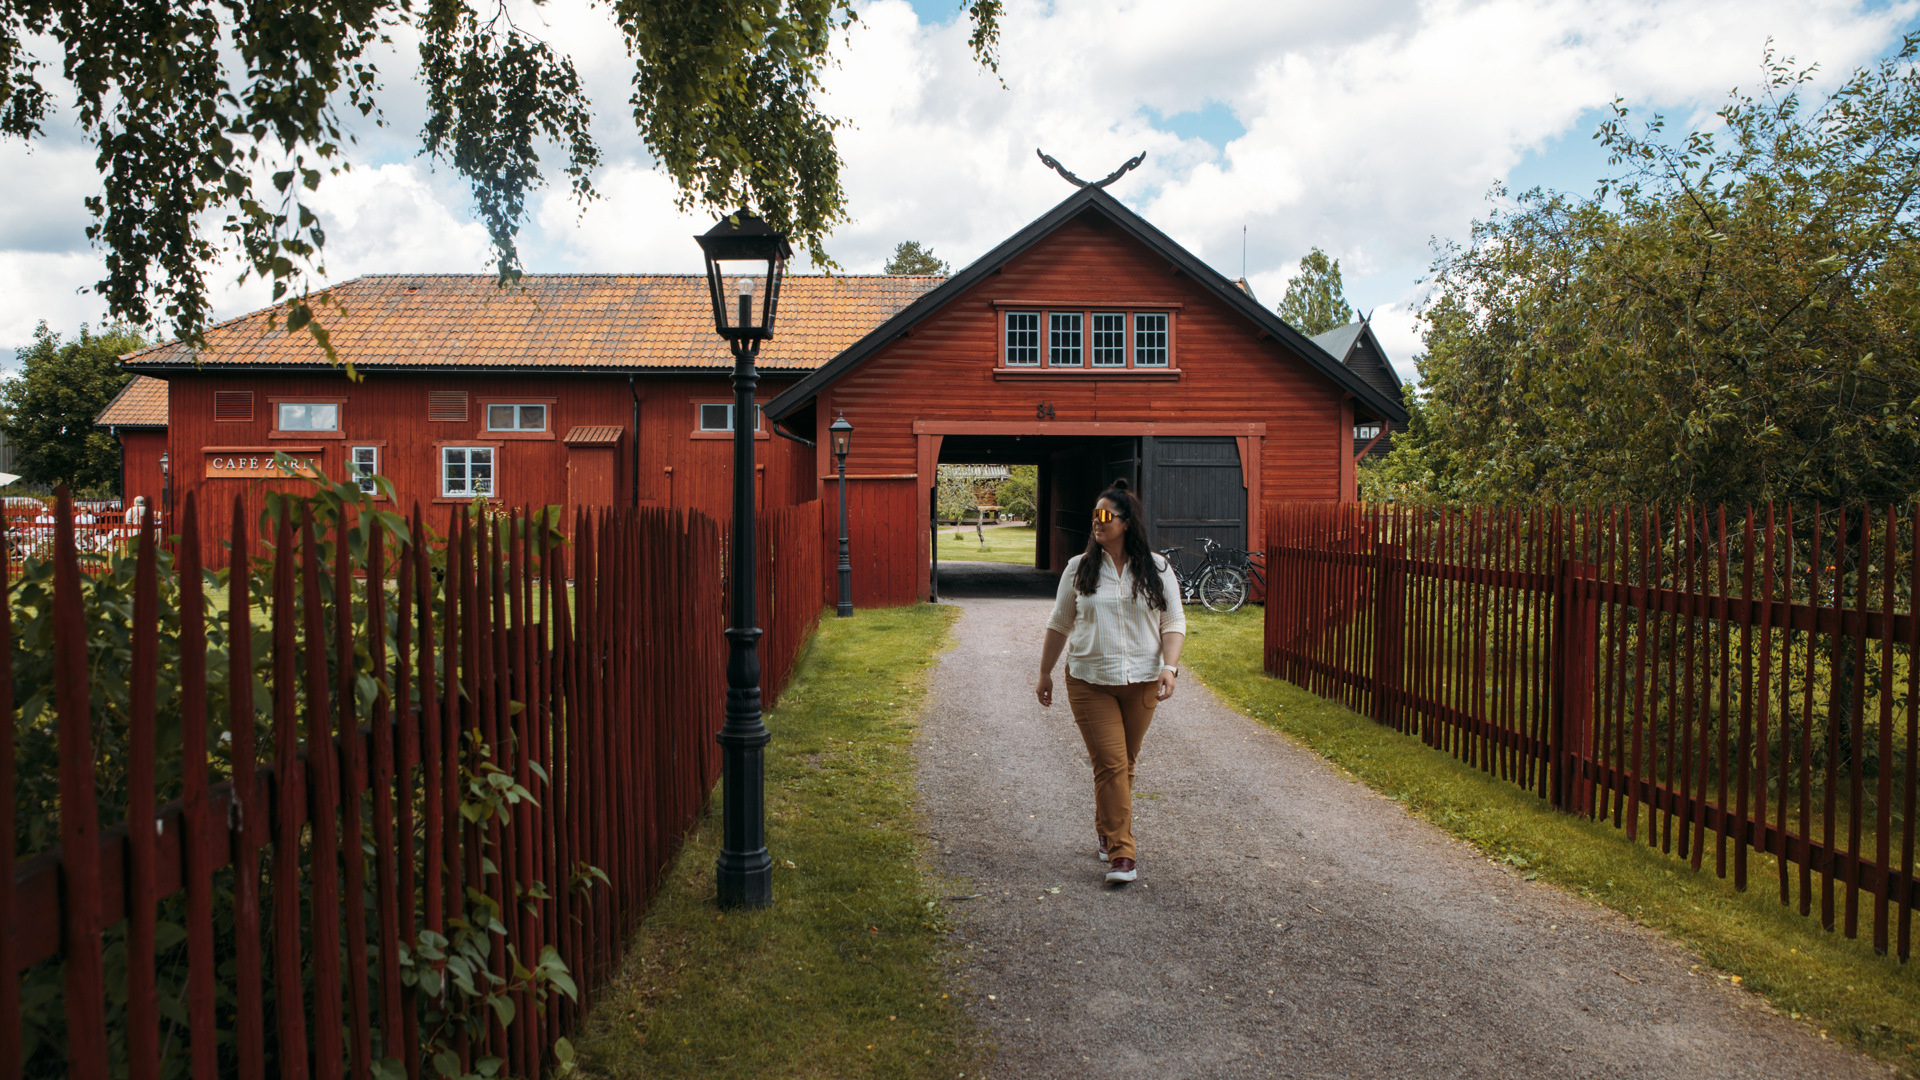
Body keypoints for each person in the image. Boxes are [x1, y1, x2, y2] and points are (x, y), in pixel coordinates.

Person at [1034, 478, 1185, 885]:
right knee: (1114, 764)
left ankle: (1107, 828)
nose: (1097, 523)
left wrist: (1169, 667)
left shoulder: (1157, 568)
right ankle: (1122, 853)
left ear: (1126, 522)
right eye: (1094, 516)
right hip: (1089, 680)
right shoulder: (1077, 568)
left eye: (1105, 516)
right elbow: (1060, 623)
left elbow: (1173, 621)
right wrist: (1045, 671)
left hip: (1141, 680)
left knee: (1121, 764)